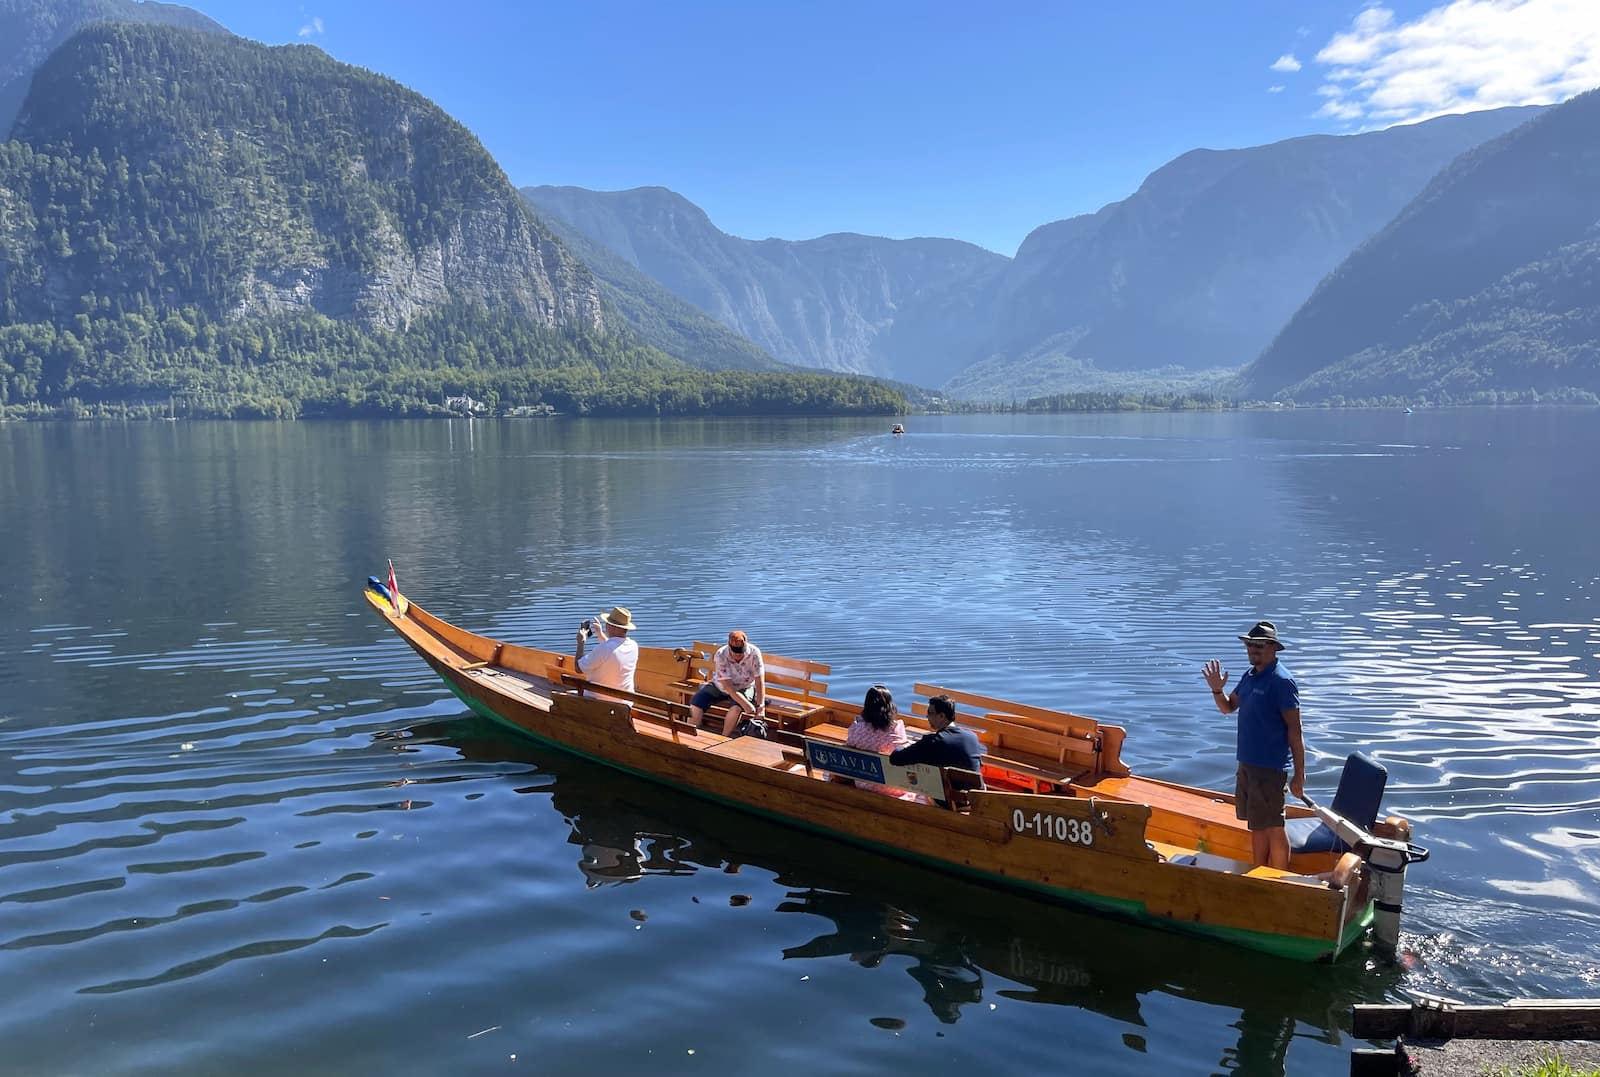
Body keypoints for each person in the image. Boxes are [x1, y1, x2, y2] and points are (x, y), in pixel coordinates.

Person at [1202, 620, 1306, 869]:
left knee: (1274, 826)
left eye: (1258, 646)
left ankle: (1278, 880)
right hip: (1247, 764)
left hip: (1270, 768)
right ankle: (1260, 873)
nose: (1252, 650)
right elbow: (1228, 707)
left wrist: (1299, 774)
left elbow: (1295, 729)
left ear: (1273, 648)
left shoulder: (1282, 681)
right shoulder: (1249, 677)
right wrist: (1217, 691)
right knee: (1256, 824)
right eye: (1249, 645)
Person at [890, 694, 985, 781]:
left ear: (942, 716)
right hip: (976, 796)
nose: (927, 716)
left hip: (948, 797)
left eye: (930, 713)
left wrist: (904, 744)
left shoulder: (933, 741)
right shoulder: (972, 737)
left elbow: (896, 758)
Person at [689, 629, 766, 736]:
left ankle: (723, 737)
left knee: (736, 708)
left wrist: (760, 706)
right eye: (735, 652)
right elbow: (727, 686)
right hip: (720, 686)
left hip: (744, 686)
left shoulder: (754, 653)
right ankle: (690, 734)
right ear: (729, 646)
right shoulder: (721, 654)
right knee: (697, 702)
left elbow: (759, 681)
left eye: (741, 651)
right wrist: (746, 704)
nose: (738, 655)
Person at [846, 685, 912, 796]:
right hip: (893, 788)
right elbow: (904, 752)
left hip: (864, 784)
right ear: (890, 706)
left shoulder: (857, 729)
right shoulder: (896, 728)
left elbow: (848, 746)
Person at [575, 606, 639, 695]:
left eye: (607, 623)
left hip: (598, 703)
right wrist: (600, 634)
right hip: (625, 703)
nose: (606, 626)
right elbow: (613, 650)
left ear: (612, 627)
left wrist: (580, 643)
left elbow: (578, 668)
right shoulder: (633, 646)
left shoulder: (603, 649)